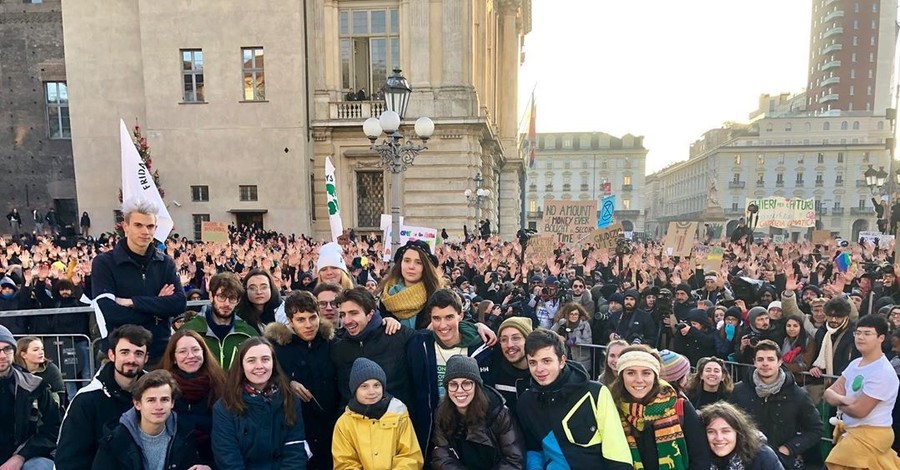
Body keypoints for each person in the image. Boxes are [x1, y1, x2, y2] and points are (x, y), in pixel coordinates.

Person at [516, 328, 632, 469]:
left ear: (562, 361)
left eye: (546, 361)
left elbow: (617, 451)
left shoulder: (596, 392)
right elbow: (532, 449)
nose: (539, 369)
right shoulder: (526, 403)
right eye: (533, 363)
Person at [91, 198, 186, 365]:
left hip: (158, 354)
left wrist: (133, 302)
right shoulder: (104, 263)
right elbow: (109, 311)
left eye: (150, 226)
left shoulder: (165, 263)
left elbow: (178, 304)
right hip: (120, 356)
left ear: (155, 229)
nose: (145, 231)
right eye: (138, 225)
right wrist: (157, 310)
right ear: (126, 227)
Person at [407, 289, 493, 455]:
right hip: (431, 433)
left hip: (471, 432)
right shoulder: (419, 345)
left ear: (460, 315)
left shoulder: (482, 346)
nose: (443, 325)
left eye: (449, 317)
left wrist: (478, 325)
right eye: (436, 318)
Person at [57, 325, 152, 470]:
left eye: (138, 353)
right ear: (112, 355)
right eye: (124, 352)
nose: (131, 359)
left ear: (146, 358)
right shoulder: (87, 400)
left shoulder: (155, 396)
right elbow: (69, 459)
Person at [265, 290, 340, 470]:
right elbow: (264, 380)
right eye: (301, 319)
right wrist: (287, 383)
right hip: (296, 432)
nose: (308, 325)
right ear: (290, 321)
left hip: (331, 430)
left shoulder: (332, 342)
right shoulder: (276, 349)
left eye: (312, 318)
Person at [211, 337, 309, 469]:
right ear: (241, 365)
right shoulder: (225, 406)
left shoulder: (289, 399)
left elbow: (294, 449)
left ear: (273, 363)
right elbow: (228, 456)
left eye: (265, 359)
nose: (259, 366)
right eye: (251, 361)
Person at [611, 345, 710, 470]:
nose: (639, 380)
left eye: (646, 373)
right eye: (631, 373)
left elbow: (700, 458)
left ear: (655, 377)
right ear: (621, 376)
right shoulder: (612, 408)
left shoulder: (679, 406)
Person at [729, 339, 823, 469]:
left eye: (770, 359)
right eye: (761, 359)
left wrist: (789, 448)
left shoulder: (797, 395)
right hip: (746, 460)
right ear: (754, 362)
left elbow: (815, 429)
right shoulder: (738, 391)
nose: (765, 363)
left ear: (780, 362)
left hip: (782, 462)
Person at [91, 370, 210, 470]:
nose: (158, 407)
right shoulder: (115, 440)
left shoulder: (185, 435)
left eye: (164, 400)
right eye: (151, 400)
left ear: (172, 403)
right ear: (137, 404)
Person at [824, 314, 900, 469]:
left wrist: (839, 401)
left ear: (881, 338)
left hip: (871, 436)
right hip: (853, 433)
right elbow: (828, 393)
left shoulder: (883, 371)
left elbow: (859, 411)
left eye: (867, 333)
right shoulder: (855, 364)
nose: (860, 337)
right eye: (857, 333)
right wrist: (845, 400)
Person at [431, 355, 524, 469]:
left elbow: (514, 459)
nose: (459, 391)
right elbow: (441, 456)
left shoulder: (498, 412)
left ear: (476, 386)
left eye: (466, 383)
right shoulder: (442, 413)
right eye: (453, 384)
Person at [331, 287, 417, 409]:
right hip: (356, 424)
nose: (347, 321)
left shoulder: (398, 336)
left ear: (370, 314)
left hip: (396, 421)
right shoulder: (339, 347)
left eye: (353, 313)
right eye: (343, 315)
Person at [331, 358, 423, 469]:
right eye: (364, 386)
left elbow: (410, 456)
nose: (372, 392)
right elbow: (344, 463)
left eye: (376, 385)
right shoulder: (344, 423)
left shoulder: (399, 414)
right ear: (355, 390)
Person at [159, 329, 226, 467]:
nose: (191, 356)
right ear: (174, 358)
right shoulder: (160, 389)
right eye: (183, 351)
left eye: (196, 350)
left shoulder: (222, 385)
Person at [0, 325, 60, 470]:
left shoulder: (35, 386)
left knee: (41, 467)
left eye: (7, 349)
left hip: (25, 456)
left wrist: (21, 456)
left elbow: (53, 429)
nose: (2, 355)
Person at [180, 272, 257, 369]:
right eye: (221, 297)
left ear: (238, 301)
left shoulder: (248, 334)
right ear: (211, 297)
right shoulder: (189, 331)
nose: (227, 304)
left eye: (232, 298)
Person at [378, 239, 445, 329]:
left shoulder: (438, 297)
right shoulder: (385, 295)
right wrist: (385, 321)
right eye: (407, 260)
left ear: (426, 267)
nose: (411, 266)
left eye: (418, 262)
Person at [699, 402, 785, 470]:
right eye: (711, 432)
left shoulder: (762, 456)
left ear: (738, 432)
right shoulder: (697, 459)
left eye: (725, 431)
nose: (719, 438)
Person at [483, 317, 533, 412]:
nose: (509, 345)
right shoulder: (495, 367)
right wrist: (479, 326)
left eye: (516, 338)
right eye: (504, 339)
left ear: (528, 340)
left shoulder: (541, 372)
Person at [15, 337, 65, 405]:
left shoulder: (50, 369)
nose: (41, 352)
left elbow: (59, 395)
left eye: (42, 349)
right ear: (23, 354)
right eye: (35, 350)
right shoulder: (13, 371)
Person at [234, 269, 283, 334]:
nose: (259, 292)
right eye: (252, 288)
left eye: (264, 287)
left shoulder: (283, 312)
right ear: (245, 290)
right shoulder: (238, 315)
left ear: (271, 288)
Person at [551, 302, 593, 375]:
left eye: (576, 314)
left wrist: (576, 341)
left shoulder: (584, 325)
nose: (574, 316)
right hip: (566, 358)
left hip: (581, 360)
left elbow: (589, 342)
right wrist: (557, 337)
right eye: (571, 314)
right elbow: (549, 333)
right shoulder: (562, 322)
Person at [781, 314, 817, 385]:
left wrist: (782, 366)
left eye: (795, 326)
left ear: (801, 327)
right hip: (785, 377)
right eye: (788, 326)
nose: (791, 329)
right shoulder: (785, 340)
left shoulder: (808, 341)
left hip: (802, 381)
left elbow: (804, 365)